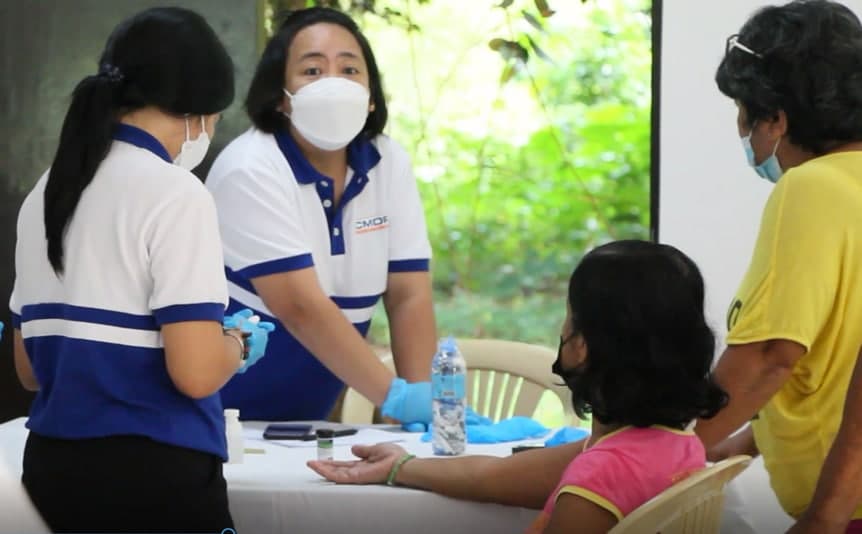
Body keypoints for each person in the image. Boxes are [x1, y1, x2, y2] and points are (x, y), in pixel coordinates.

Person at [8, 7, 273, 532]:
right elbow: (195, 373)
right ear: (197, 110)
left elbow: (29, 371)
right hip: (155, 479)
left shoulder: (45, 193)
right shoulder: (176, 193)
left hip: (51, 475)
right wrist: (235, 344)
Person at [308, 240, 729, 533]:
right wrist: (400, 466)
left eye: (569, 317)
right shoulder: (672, 445)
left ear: (582, 345)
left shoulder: (599, 474)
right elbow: (493, 476)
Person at [206, 7, 438, 426]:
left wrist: (425, 413)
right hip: (218, 418)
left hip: (305, 424)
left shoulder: (387, 161)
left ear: (371, 96)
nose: (333, 83)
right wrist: (396, 399)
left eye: (349, 69)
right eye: (312, 71)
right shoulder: (250, 167)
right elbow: (299, 306)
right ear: (281, 97)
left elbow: (408, 294)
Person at [690, 2, 862, 533]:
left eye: (744, 115)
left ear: (778, 119)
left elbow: (770, 357)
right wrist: (739, 441)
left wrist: (671, 444)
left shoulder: (811, 188)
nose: (744, 133)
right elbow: (836, 352)